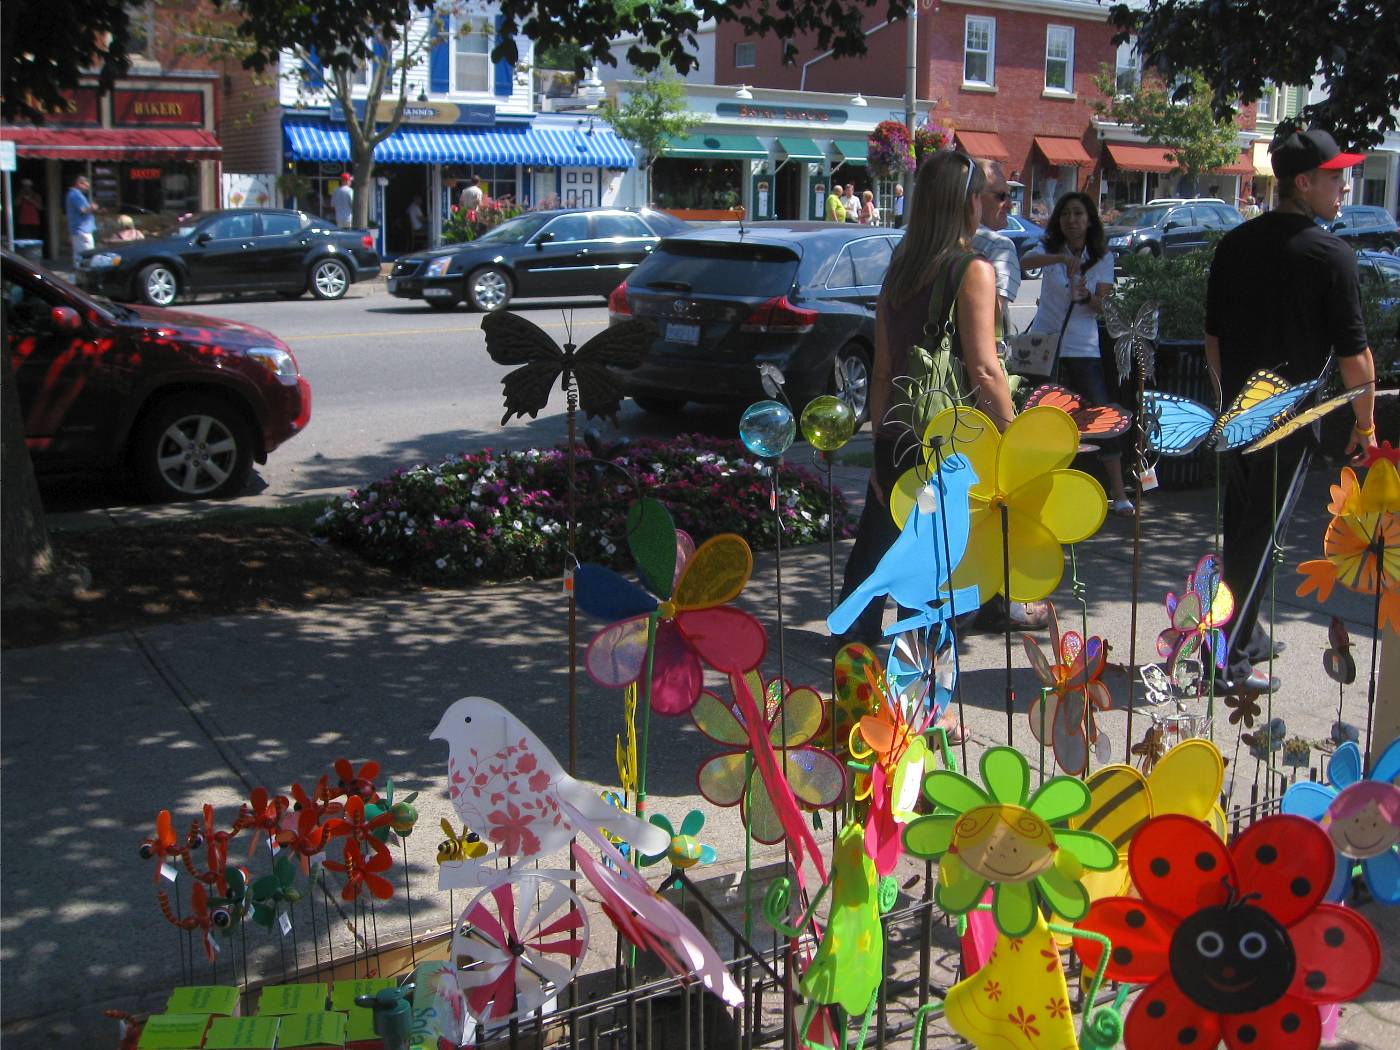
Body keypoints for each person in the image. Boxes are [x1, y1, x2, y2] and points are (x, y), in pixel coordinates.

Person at [1205, 128, 1375, 697]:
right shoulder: (1330, 255)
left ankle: (1245, 636)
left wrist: (1227, 403)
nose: (1344, 187)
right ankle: (1227, 663)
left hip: (1239, 414)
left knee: (1244, 531)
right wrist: (1366, 424)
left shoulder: (1234, 244)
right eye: (1335, 177)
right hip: (1290, 421)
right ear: (1303, 183)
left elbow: (1213, 339)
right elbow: (1355, 356)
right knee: (1260, 538)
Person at [836, 151, 1018, 663]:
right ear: (968, 203)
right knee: (943, 571)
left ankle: (854, 656)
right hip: (949, 443)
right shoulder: (971, 269)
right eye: (984, 196)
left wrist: (879, 447)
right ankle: (917, 679)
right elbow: (985, 370)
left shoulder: (900, 270)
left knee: (878, 553)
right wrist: (1016, 440)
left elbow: (882, 369)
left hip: (898, 436)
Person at [966, 158, 1051, 633]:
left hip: (934, 389)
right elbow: (994, 324)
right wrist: (1007, 418)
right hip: (983, 387)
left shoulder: (921, 244)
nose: (1008, 205)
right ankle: (1005, 602)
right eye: (1000, 196)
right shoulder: (996, 249)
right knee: (1001, 498)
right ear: (974, 199)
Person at [1021, 192, 1133, 516]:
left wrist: (1085, 297)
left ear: (1089, 220)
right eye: (1066, 214)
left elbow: (1104, 305)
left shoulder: (1102, 257)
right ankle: (1036, 490)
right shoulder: (1047, 249)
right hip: (1046, 345)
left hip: (1083, 347)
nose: (1072, 220)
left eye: (1079, 214)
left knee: (1100, 413)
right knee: (1041, 414)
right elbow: (1024, 262)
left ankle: (1118, 492)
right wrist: (1058, 259)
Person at [65, 175, 99, 262]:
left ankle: (78, 270)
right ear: (79, 183)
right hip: (82, 231)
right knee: (86, 256)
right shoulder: (76, 195)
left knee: (79, 256)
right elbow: (83, 210)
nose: (87, 188)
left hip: (80, 231)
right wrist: (92, 207)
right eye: (86, 185)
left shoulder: (75, 194)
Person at [16, 179, 43, 243]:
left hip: (34, 221)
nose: (26, 188)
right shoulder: (21, 195)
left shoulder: (36, 195)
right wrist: (21, 195)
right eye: (24, 186)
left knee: (34, 239)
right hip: (23, 221)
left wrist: (30, 199)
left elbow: (40, 207)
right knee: (24, 240)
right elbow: (16, 204)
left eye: (28, 186)